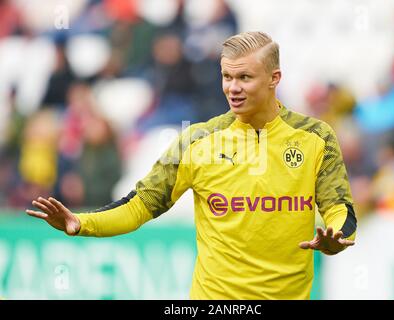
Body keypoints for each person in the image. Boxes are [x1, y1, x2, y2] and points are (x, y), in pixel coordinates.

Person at [26, 31, 357, 300]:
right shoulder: (196, 141)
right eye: (227, 76)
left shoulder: (316, 137)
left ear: (274, 78)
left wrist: (337, 235)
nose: (233, 87)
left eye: (245, 77)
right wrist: (82, 223)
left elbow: (339, 207)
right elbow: (139, 205)